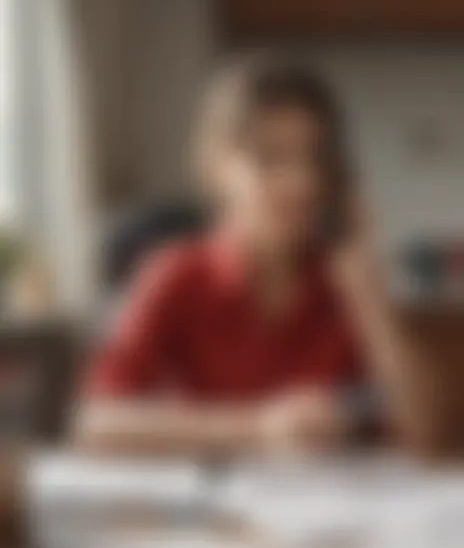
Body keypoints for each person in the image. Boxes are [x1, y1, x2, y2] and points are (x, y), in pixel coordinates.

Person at [76, 55, 435, 455]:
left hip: (326, 505)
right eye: (270, 159)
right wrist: (257, 428)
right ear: (216, 167)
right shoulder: (175, 273)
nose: (300, 181)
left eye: (313, 158)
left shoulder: (344, 280)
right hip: (207, 505)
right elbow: (94, 424)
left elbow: (422, 437)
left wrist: (369, 291)